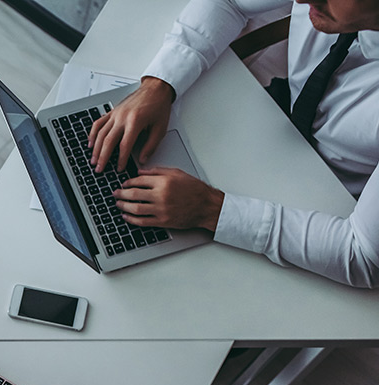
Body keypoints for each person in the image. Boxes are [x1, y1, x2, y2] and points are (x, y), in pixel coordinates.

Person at [87, 0, 379, 287]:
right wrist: (159, 85)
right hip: (267, 125)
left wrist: (208, 209)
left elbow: (364, 255)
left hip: (325, 208)